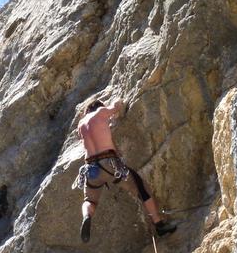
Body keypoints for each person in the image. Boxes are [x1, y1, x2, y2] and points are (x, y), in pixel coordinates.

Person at [74, 97, 176, 243]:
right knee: (142, 189)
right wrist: (117, 102)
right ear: (98, 106)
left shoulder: (81, 124)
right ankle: (159, 224)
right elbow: (117, 106)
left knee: (90, 200)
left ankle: (87, 216)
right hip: (109, 163)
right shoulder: (101, 112)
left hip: (90, 169)